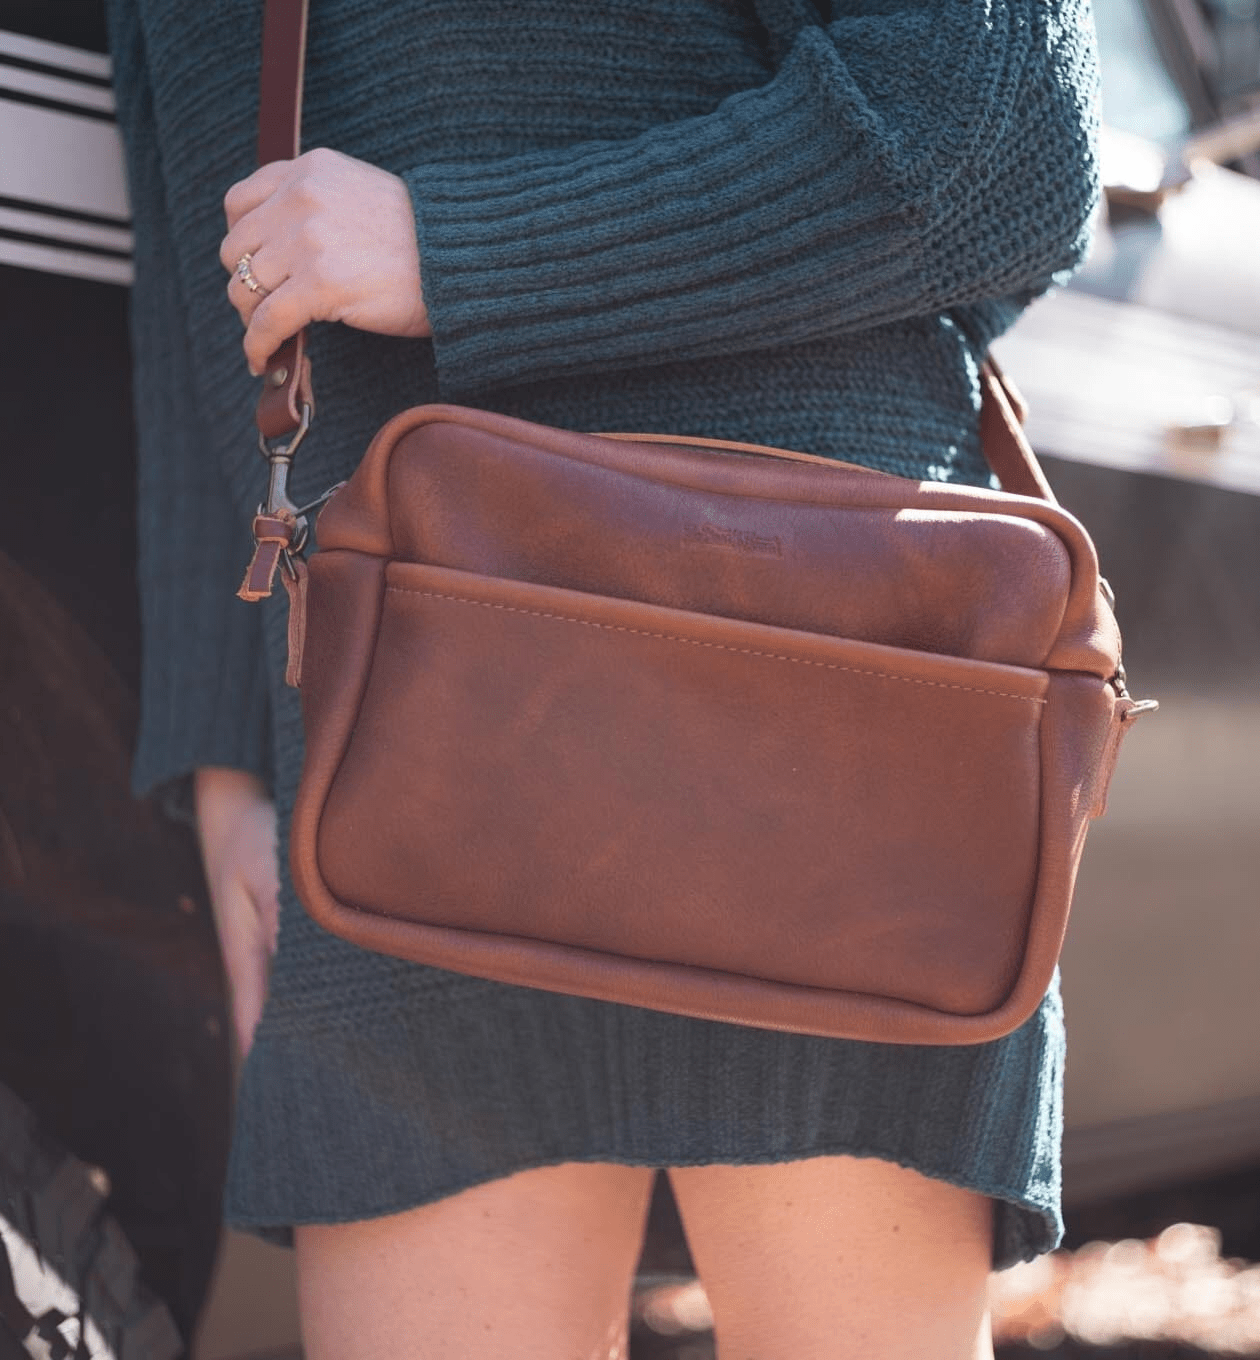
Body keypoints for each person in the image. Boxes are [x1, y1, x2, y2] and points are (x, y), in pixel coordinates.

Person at [106, 1, 1100, 1355]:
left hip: (822, 699)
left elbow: (1001, 142)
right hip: (401, 743)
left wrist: (458, 251)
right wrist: (228, 752)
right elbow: (197, 282)